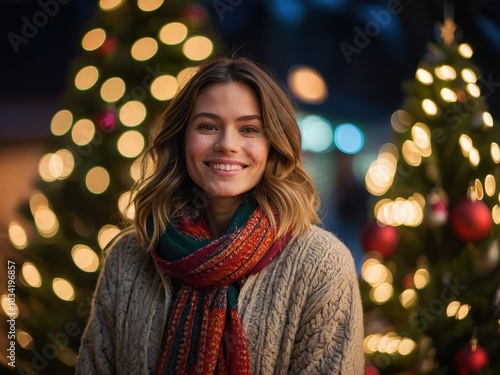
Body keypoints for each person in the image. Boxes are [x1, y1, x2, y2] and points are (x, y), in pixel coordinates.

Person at [76, 56, 364, 374]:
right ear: (181, 138)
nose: (227, 144)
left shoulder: (322, 263)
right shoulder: (128, 256)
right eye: (208, 126)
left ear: (273, 145)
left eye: (249, 129)